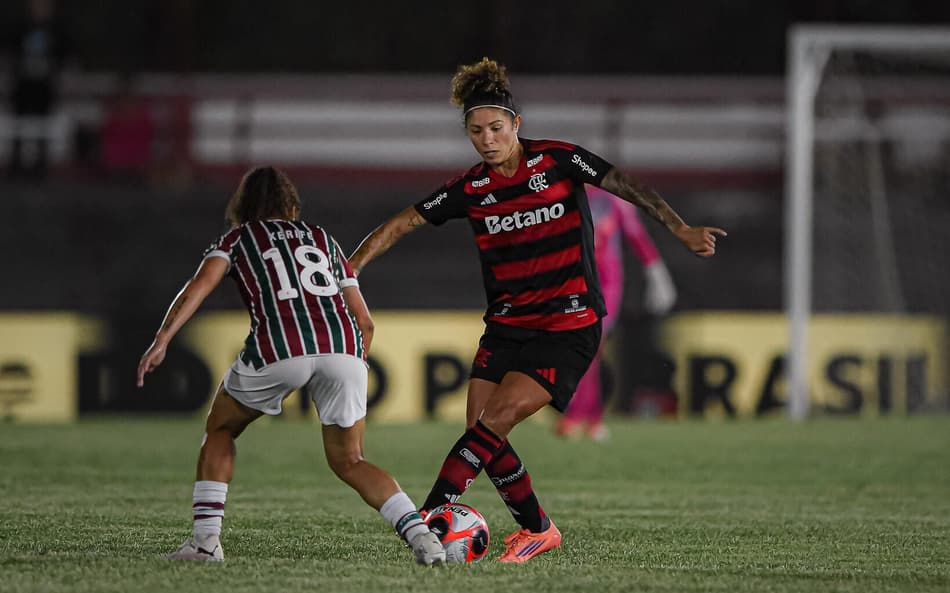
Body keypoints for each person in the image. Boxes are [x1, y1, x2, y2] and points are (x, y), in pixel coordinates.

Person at [349, 57, 725, 563]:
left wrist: (678, 228)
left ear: (516, 125)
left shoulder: (560, 160)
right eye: (476, 131)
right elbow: (402, 223)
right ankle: (538, 530)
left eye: (496, 128)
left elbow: (625, 185)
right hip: (506, 328)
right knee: (484, 431)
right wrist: (351, 266)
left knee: (491, 425)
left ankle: (428, 521)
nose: (487, 139)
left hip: (567, 325)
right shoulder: (470, 189)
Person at [136, 166, 445, 566]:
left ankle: (205, 543)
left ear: (243, 205)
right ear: (291, 203)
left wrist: (162, 338)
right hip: (343, 347)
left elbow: (199, 287)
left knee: (222, 427)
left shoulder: (237, 238)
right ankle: (423, 536)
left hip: (280, 346)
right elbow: (365, 322)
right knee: (351, 460)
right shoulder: (324, 241)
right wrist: (349, 363)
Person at [554, 186, 676, 441]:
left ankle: (577, 418)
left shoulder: (614, 200)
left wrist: (656, 273)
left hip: (607, 283)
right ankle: (592, 420)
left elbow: (637, 236)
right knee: (585, 352)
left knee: (592, 347)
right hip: (577, 282)